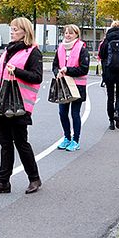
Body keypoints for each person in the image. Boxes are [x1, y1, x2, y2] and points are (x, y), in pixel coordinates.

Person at [0, 17, 43, 195]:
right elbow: (0, 76)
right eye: (11, 29)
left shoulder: (33, 52)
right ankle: (3, 182)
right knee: (5, 143)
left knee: (20, 142)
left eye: (16, 30)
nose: (12, 32)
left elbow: (36, 77)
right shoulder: (7, 51)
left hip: (19, 104)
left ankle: (34, 178)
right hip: (3, 104)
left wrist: (16, 71)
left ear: (25, 32)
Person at [52, 24, 90, 152]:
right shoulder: (60, 48)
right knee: (62, 112)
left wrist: (68, 70)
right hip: (63, 85)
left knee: (75, 113)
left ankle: (76, 140)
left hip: (77, 86)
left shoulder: (82, 49)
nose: (68, 35)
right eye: (66, 33)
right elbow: (55, 65)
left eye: (71, 33)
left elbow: (84, 68)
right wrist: (57, 71)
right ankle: (67, 137)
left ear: (77, 35)